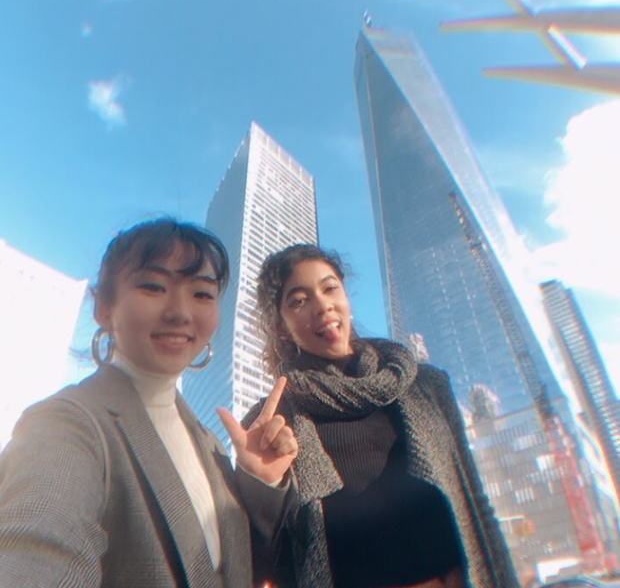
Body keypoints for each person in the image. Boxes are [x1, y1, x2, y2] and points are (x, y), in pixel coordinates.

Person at [0, 218, 298, 588]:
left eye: (202, 294)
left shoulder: (209, 443)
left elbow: (237, 566)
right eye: (154, 286)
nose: (180, 312)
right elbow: (38, 549)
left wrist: (259, 479)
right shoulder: (67, 422)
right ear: (103, 307)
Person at [244, 244, 520, 588]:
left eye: (330, 288)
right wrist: (260, 484)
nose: (323, 305)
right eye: (299, 300)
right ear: (281, 326)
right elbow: (265, 556)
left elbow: (474, 501)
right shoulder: (272, 420)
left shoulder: (426, 385)